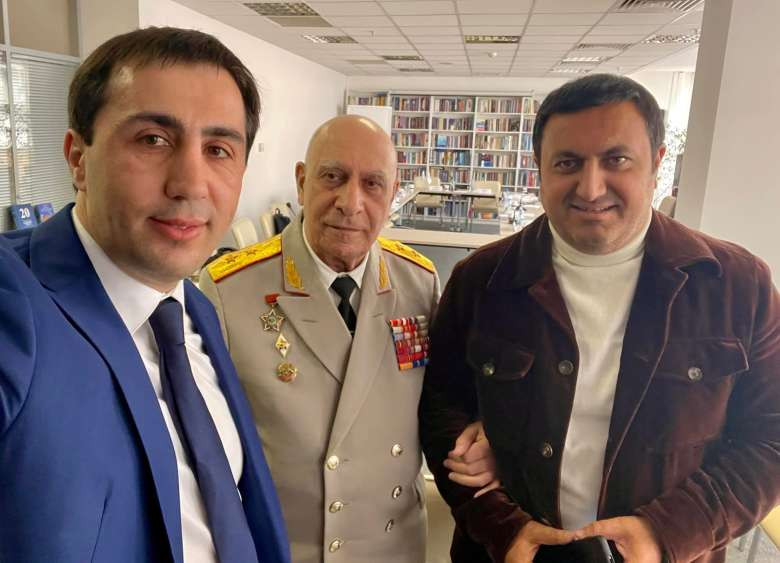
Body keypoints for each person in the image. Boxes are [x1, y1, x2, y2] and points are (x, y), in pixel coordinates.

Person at [419, 74, 780, 563]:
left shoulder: (738, 286)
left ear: (656, 164)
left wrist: (666, 534)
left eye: (616, 160)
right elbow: (441, 410)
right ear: (539, 169)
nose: (591, 188)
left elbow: (770, 438)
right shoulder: (480, 281)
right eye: (567, 163)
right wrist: (501, 528)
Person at [0, 27, 289, 563]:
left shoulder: (192, 310)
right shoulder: (13, 299)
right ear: (78, 158)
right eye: (153, 140)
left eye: (218, 150)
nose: (191, 184)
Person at [200, 115, 496, 562]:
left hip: (392, 547)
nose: (351, 203)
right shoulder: (229, 289)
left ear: (392, 196)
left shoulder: (418, 281)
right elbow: (204, 451)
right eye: (333, 177)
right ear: (302, 182)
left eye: (372, 184)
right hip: (283, 548)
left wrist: (481, 433)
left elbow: (444, 399)